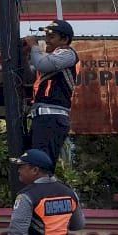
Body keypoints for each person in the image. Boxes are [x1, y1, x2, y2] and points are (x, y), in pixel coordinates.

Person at [22, 18, 80, 166]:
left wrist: (34, 46)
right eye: (46, 36)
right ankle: (39, 188)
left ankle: (45, 188)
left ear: (65, 39)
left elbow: (42, 65)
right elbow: (28, 77)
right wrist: (25, 54)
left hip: (52, 117)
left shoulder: (68, 54)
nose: (47, 40)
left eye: (51, 37)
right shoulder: (50, 57)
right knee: (32, 162)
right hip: (43, 118)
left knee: (40, 164)